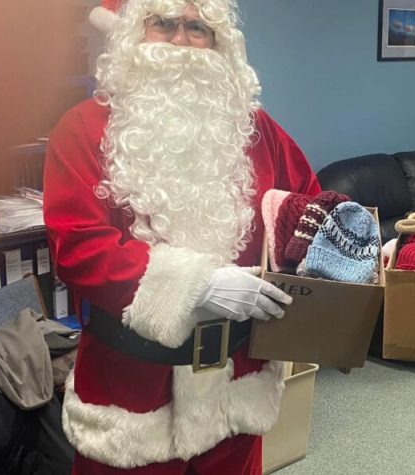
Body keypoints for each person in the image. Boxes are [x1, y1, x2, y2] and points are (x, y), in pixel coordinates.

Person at [43, 0, 320, 473]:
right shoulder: (82, 128)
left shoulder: (256, 130)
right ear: (134, 34)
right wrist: (199, 285)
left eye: (198, 28)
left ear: (219, 43)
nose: (181, 42)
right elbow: (78, 247)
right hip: (131, 397)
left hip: (236, 385)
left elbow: (307, 206)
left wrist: (354, 245)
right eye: (165, 24)